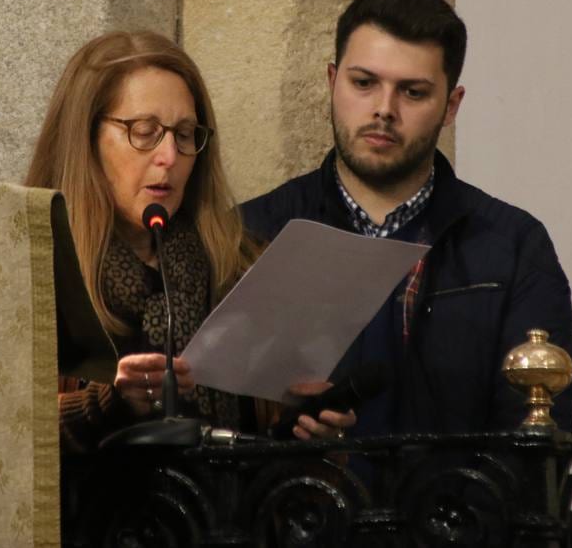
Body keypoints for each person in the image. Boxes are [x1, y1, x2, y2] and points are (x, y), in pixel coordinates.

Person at [242, 0, 572, 436]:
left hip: (455, 506)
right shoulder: (254, 231)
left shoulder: (514, 246)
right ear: (331, 81)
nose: (384, 109)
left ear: (451, 106)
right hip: (296, 502)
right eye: (363, 83)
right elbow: (215, 424)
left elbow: (536, 437)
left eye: (413, 92)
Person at [26, 30, 352, 451]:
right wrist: (106, 405)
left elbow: (266, 443)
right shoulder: (35, 271)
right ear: (86, 140)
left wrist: (307, 428)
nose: (169, 156)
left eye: (184, 134)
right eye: (144, 131)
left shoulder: (239, 267)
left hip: (220, 513)